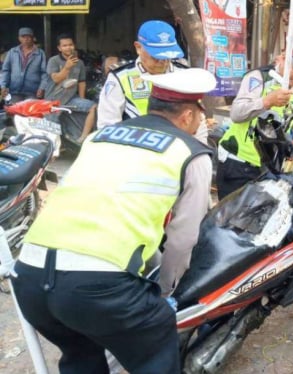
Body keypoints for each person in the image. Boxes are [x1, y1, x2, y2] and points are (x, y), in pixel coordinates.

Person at [11, 68, 216, 374]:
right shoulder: (191, 153)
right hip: (95, 289)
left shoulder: (99, 137)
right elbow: (185, 237)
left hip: (29, 278)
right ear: (187, 115)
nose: (201, 123)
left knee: (81, 352)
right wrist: (164, 292)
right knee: (157, 336)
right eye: (200, 115)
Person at [216, 36, 293, 199]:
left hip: (269, 168)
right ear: (282, 58)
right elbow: (237, 113)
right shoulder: (259, 78)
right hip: (238, 163)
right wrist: (267, 102)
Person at [96, 20, 187, 129]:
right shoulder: (121, 77)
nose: (163, 61)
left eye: (167, 55)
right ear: (138, 47)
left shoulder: (183, 74)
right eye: (156, 57)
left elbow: (196, 122)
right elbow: (107, 124)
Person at [44, 33, 98, 144]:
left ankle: (83, 138)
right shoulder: (53, 61)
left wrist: (82, 99)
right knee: (52, 132)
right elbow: (56, 79)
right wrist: (67, 67)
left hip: (71, 99)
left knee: (94, 107)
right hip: (53, 101)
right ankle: (53, 151)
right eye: (64, 45)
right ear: (59, 48)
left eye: (70, 44)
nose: (68, 47)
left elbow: (81, 82)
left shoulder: (80, 63)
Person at [0, 27, 47, 102]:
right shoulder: (12, 52)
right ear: (19, 38)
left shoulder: (40, 53)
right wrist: (3, 86)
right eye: (23, 37)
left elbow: (44, 73)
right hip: (14, 91)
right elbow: (6, 70)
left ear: (33, 38)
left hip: (33, 92)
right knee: (14, 112)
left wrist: (42, 87)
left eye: (28, 36)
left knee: (31, 112)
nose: (26, 39)